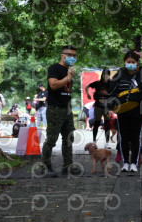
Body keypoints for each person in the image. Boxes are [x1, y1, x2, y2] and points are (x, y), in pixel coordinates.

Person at [108, 49, 142, 172]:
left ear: (137, 63)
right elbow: (112, 91)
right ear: (124, 62)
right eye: (128, 61)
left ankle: (134, 162)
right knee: (123, 137)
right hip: (122, 111)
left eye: (133, 62)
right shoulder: (119, 74)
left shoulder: (141, 74)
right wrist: (110, 108)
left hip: (138, 112)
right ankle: (125, 162)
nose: (131, 64)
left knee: (136, 137)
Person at [41, 45, 81, 177]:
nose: (72, 57)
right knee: (52, 138)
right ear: (62, 55)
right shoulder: (54, 68)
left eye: (74, 55)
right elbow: (53, 85)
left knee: (69, 138)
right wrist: (67, 78)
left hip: (67, 109)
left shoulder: (69, 70)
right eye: (69, 55)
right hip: (55, 108)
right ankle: (45, 166)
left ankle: (68, 166)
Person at [85, 69, 111, 144]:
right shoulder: (97, 83)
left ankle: (107, 142)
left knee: (107, 124)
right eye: (104, 74)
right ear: (102, 75)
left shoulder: (111, 84)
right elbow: (87, 86)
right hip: (98, 106)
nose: (105, 76)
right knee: (96, 123)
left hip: (107, 107)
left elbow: (115, 93)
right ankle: (94, 141)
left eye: (107, 74)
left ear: (109, 75)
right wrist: (88, 94)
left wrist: (107, 94)